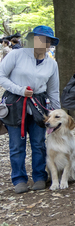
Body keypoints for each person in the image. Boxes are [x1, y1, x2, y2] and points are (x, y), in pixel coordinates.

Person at [0, 26, 60, 194]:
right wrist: (20, 90)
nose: (44, 44)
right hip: (15, 102)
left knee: (39, 143)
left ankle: (40, 176)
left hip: (39, 104)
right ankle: (19, 179)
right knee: (16, 144)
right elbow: (1, 76)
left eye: (48, 41)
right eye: (41, 39)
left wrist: (57, 114)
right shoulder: (16, 55)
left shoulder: (51, 63)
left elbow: (53, 90)